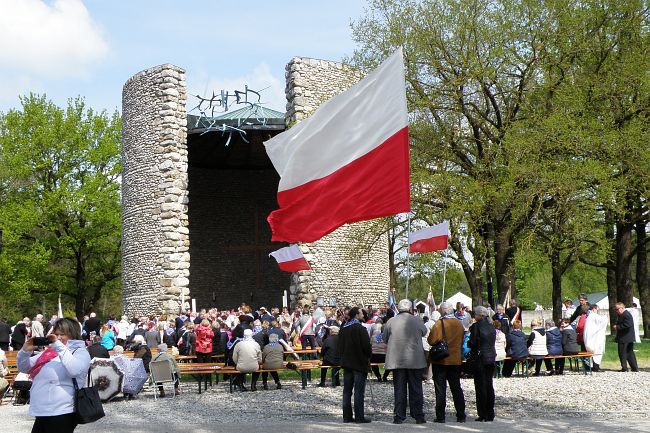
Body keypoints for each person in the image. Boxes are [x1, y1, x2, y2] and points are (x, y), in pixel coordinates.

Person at [17, 317, 91, 433]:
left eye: (63, 334)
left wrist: (58, 345)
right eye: (56, 334)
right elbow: (24, 367)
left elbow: (74, 370)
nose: (59, 338)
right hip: (43, 410)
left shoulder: (80, 352)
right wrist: (25, 351)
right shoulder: (51, 352)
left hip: (62, 410)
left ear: (73, 334)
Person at [383, 299, 428, 425]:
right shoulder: (417, 320)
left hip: (397, 360)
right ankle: (418, 416)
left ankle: (399, 416)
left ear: (398, 308)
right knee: (416, 388)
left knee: (399, 389)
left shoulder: (391, 321)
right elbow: (424, 332)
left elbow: (384, 338)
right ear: (409, 309)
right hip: (415, 359)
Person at [427, 301, 466, 423]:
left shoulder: (439, 323)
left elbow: (432, 340)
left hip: (442, 360)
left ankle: (440, 416)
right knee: (456, 388)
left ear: (442, 311)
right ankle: (461, 415)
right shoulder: (459, 323)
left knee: (440, 389)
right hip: (455, 360)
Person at [338, 306, 372, 423]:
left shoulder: (343, 329)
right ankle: (359, 417)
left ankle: (347, 416)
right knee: (358, 391)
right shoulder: (360, 329)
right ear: (357, 315)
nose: (363, 315)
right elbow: (367, 347)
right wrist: (368, 356)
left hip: (347, 363)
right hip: (359, 363)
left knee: (347, 391)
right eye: (362, 313)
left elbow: (340, 346)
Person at [468, 306, 496, 422]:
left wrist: (470, 343)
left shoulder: (476, 326)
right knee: (489, 385)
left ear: (480, 315)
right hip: (491, 356)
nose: (474, 316)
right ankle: (490, 412)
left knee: (480, 386)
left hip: (481, 358)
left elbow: (473, 342)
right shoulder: (491, 326)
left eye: (475, 314)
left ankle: (483, 413)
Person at [613, 302, 638, 372]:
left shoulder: (626, 314)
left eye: (617, 309)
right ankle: (634, 368)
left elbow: (628, 324)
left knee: (622, 353)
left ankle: (625, 368)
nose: (616, 311)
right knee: (629, 353)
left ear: (622, 308)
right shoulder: (623, 314)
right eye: (615, 309)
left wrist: (617, 327)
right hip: (627, 337)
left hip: (625, 338)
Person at [583, 304, 607, 372]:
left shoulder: (589, 316)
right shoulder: (593, 315)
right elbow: (602, 321)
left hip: (590, 337)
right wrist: (605, 317)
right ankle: (596, 367)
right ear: (594, 308)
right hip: (594, 338)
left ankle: (594, 366)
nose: (598, 311)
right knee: (597, 352)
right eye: (597, 309)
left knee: (593, 353)